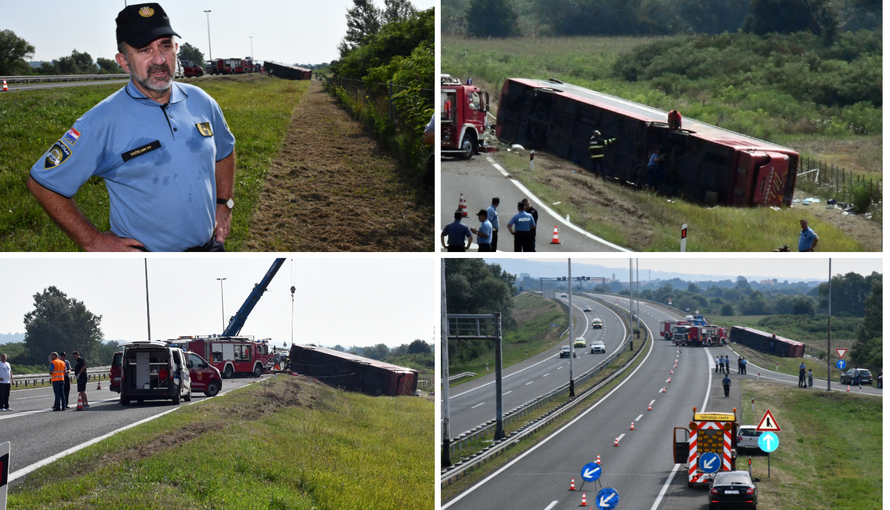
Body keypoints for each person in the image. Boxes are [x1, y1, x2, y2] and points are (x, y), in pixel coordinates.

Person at [27, 3, 237, 252]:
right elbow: (43, 184)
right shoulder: (100, 122)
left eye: (165, 46)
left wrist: (224, 204)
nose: (159, 59)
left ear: (176, 49)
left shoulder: (202, 101)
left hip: (209, 249)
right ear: (124, 62)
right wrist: (93, 240)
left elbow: (225, 151)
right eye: (144, 50)